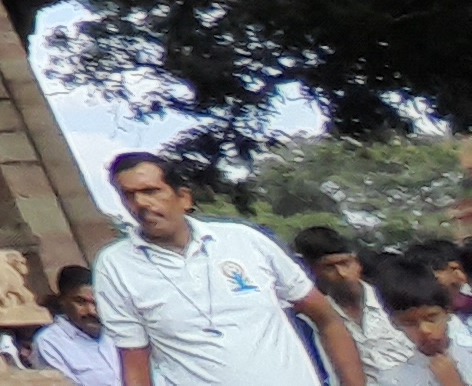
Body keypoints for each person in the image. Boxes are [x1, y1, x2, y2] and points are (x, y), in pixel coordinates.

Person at [92, 152, 366, 386]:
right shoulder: (116, 266)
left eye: (151, 191)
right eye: (129, 195)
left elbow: (326, 317)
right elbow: (134, 364)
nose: (141, 204)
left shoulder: (244, 241)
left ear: (183, 198)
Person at [295, 226, 423, 385]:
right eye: (329, 267)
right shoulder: (317, 317)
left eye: (345, 263)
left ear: (357, 263)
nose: (341, 273)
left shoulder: (392, 299)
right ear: (314, 271)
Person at [374, 265, 472, 386]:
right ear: (395, 323)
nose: (424, 330)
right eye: (410, 323)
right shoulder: (395, 379)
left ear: (447, 312)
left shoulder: (468, 351)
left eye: (431, 318)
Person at [34, 263, 123, 386]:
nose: (91, 311)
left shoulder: (117, 334)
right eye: (80, 302)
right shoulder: (50, 342)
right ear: (62, 301)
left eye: (96, 303)